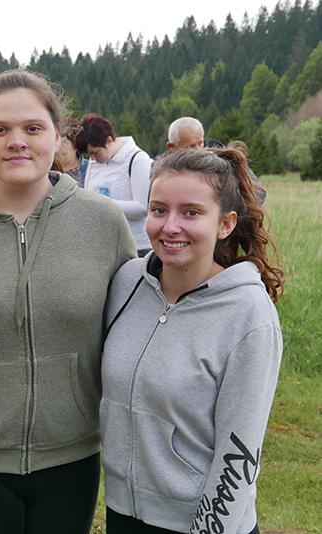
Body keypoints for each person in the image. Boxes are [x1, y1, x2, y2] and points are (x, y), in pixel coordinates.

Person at [0, 69, 136, 534]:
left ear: (58, 135)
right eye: (0, 129)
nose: (17, 141)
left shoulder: (104, 224)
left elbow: (129, 330)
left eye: (33, 128)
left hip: (71, 457)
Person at [101, 145, 284, 533]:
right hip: (122, 511)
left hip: (200, 521)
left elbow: (238, 453)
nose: (170, 226)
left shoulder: (249, 313)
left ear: (225, 223)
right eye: (159, 210)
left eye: (191, 213)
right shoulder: (127, 283)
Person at [76, 114, 153, 255]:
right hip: (104, 245)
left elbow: (143, 208)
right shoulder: (94, 163)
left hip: (135, 246)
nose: (93, 158)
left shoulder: (138, 159)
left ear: (109, 140)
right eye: (89, 155)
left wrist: (104, 204)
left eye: (95, 152)